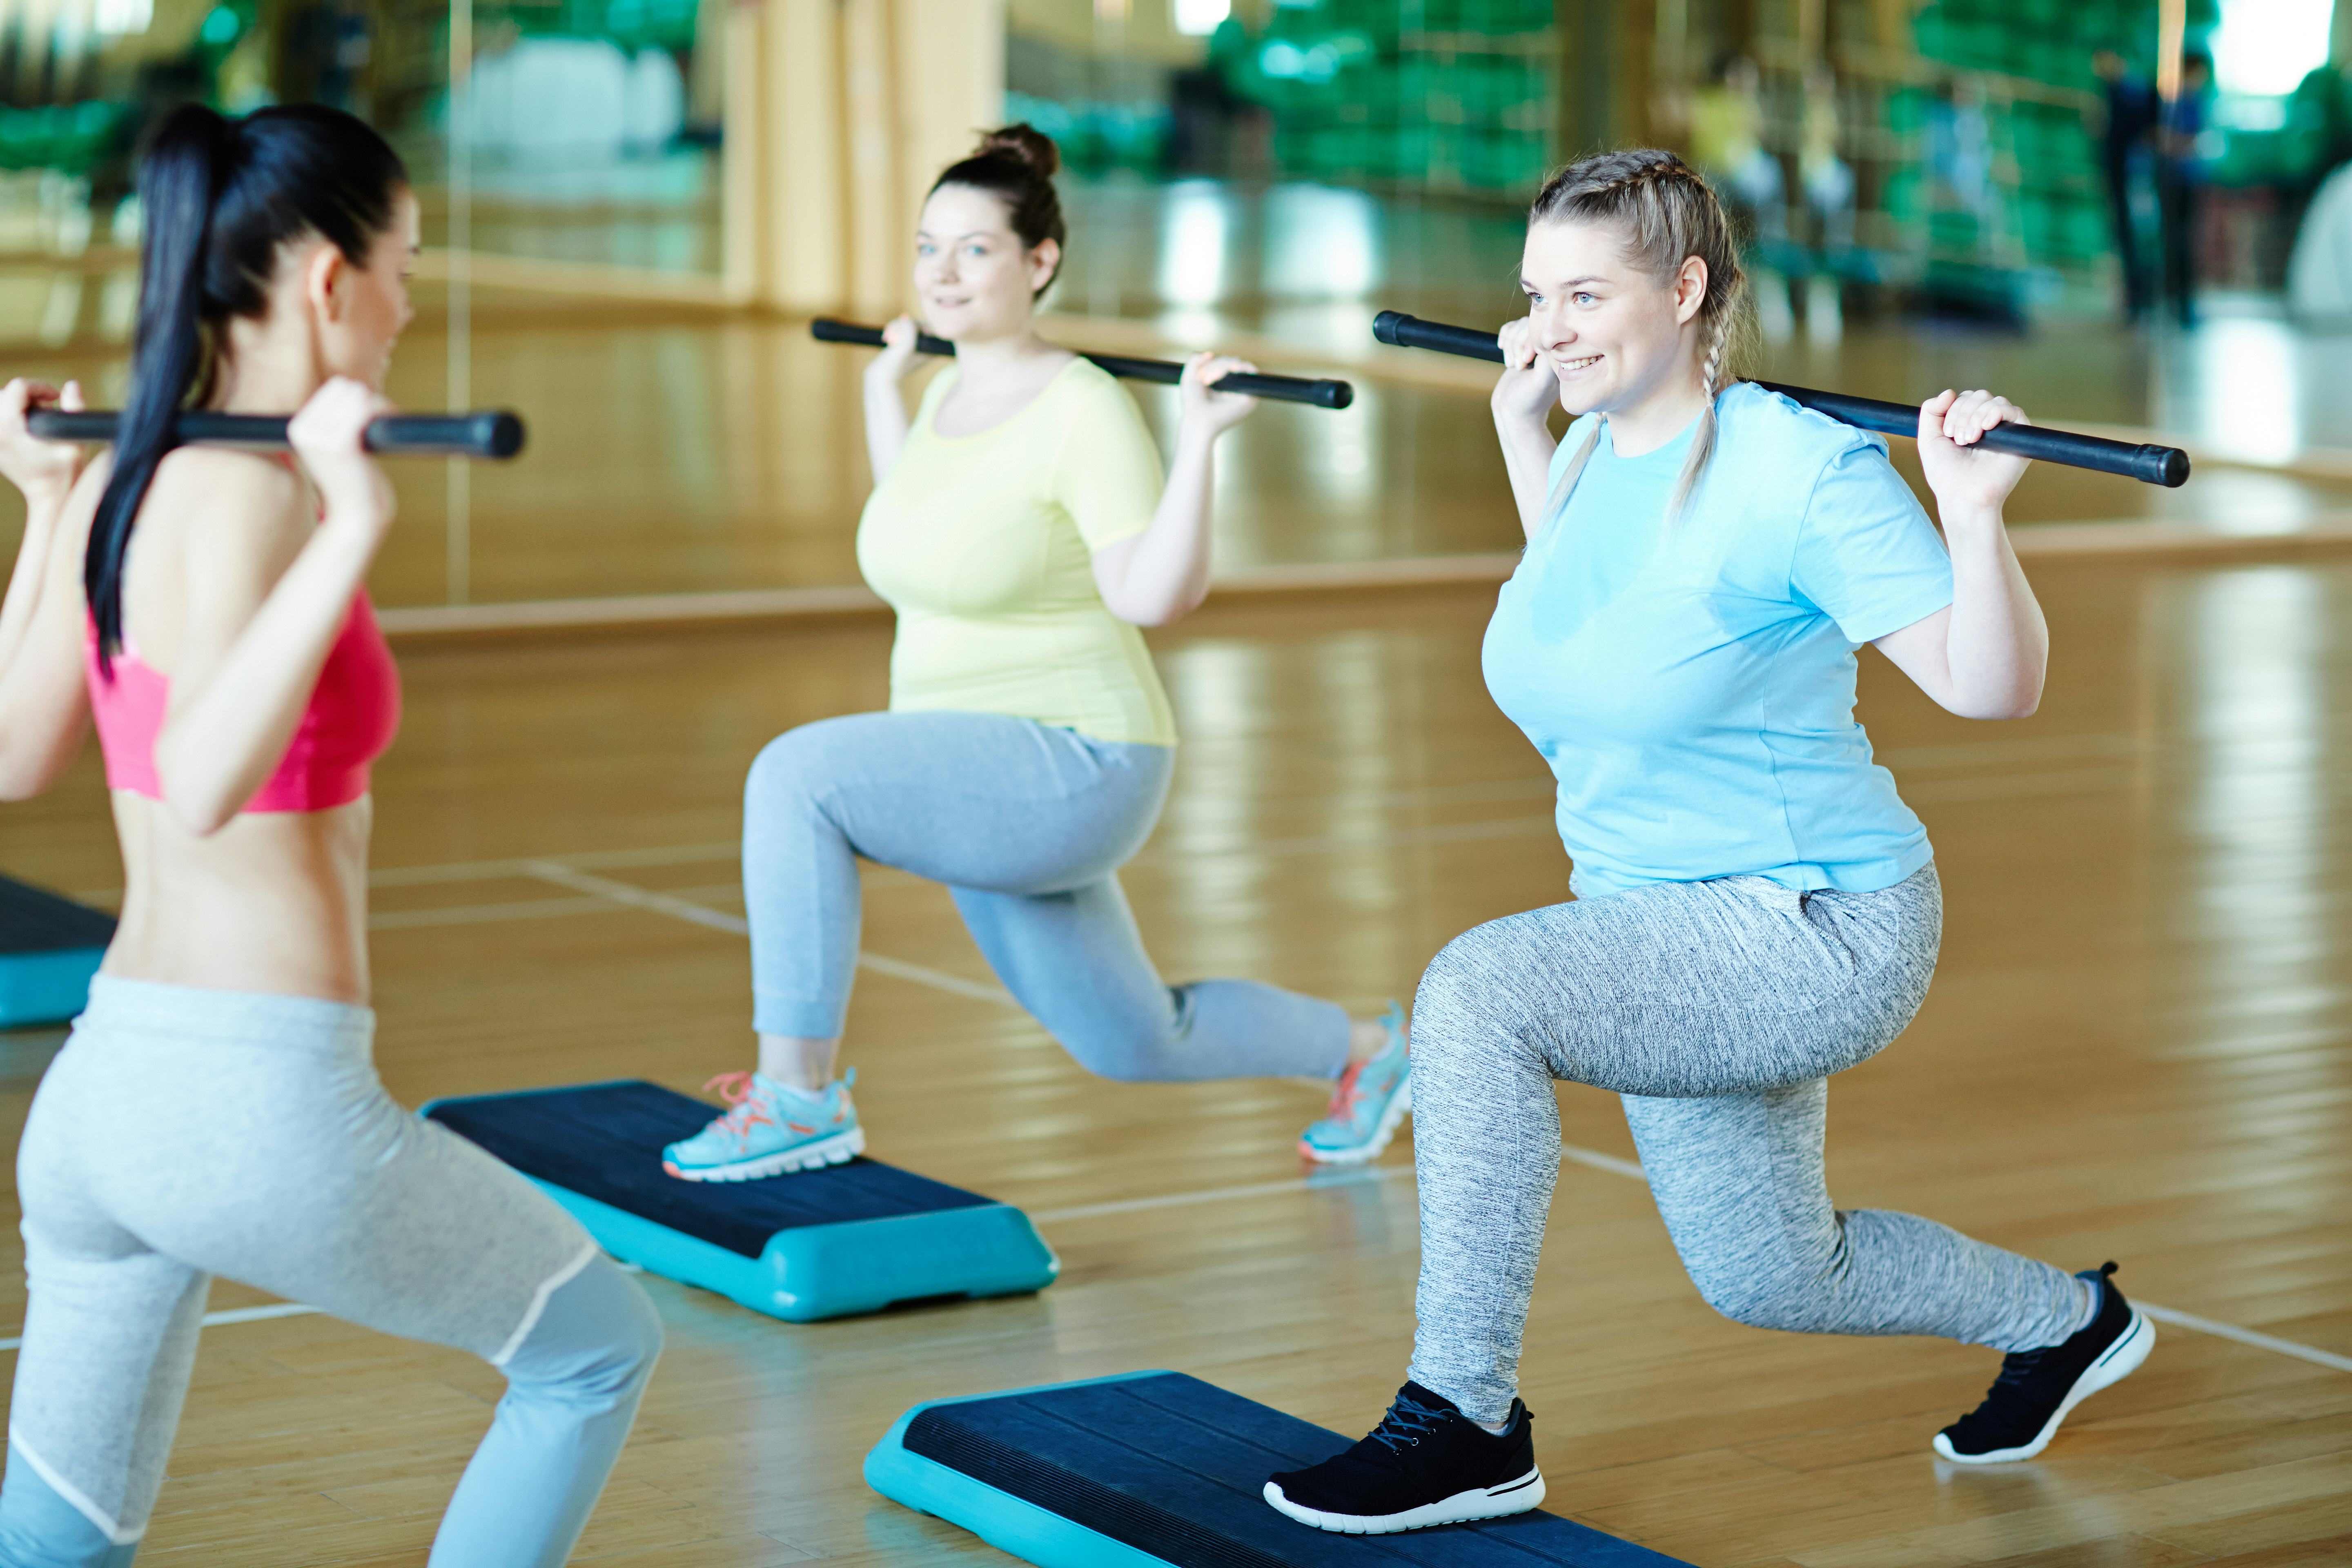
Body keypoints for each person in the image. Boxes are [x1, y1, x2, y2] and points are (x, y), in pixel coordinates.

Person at [1261, 150, 2151, 1536]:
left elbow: (1993, 687)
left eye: (1586, 294)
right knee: (1772, 1274)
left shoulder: (1804, 471)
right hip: (1658, 924)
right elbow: (1600, 624)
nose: (1552, 326)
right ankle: (2072, 1320)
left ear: (1684, 289)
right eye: (1536, 295)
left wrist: (1971, 522)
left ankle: (1467, 1419)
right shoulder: (1591, 445)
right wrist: (1518, 425)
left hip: (1812, 925)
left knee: (1477, 993)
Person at [0, 103, 659, 1566]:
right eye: (404, 266)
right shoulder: (251, 494)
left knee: (60, 1547)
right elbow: (200, 775)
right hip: (258, 1108)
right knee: (597, 1351)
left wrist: (47, 509)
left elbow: (11, 754)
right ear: (324, 278)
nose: (411, 303)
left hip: (103, 1101)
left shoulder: (126, 473)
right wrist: (353, 520)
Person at [661, 125, 1409, 1182]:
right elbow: (919, 540)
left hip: (1077, 758)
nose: (943, 273)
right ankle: (1374, 1053)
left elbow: (1155, 594)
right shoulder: (940, 395)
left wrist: (1199, 442)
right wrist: (883, 398)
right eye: (929, 247)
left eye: (975, 249)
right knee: (1134, 1039)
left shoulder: (1084, 409)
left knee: (796, 780)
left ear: (1039, 262)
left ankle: (798, 1096)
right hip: (986, 769)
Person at [2094, 49, 2158, 319]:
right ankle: (2133, 299)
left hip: (2134, 176)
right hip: (2117, 177)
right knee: (2123, 238)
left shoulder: (2131, 94)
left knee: (2138, 238)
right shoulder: (2105, 93)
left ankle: (2143, 299)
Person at [2158, 51, 2214, 328]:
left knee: (2185, 243)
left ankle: (2184, 304)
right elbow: (2172, 141)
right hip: (2175, 181)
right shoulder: (2178, 102)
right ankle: (2178, 304)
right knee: (2178, 242)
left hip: (2186, 180)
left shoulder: (2191, 102)